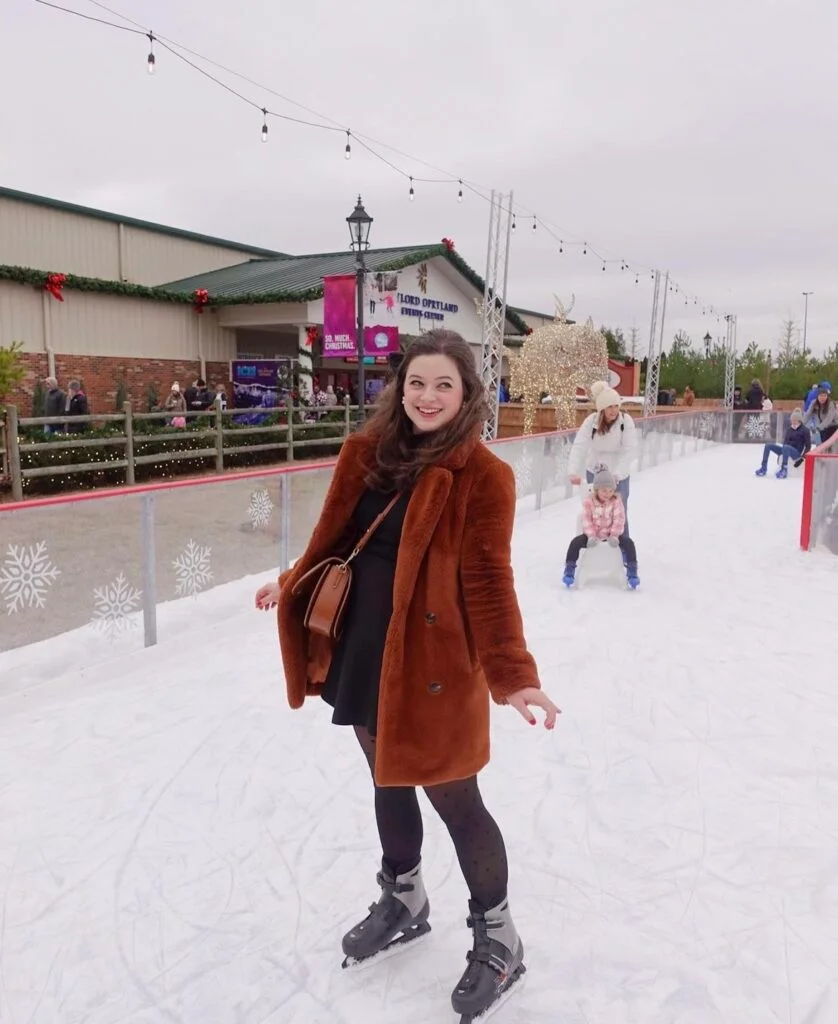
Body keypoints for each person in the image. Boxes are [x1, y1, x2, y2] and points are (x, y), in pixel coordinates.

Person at [254, 329, 559, 1021]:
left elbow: (488, 580)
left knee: (456, 798)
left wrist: (512, 674)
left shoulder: (485, 477)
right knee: (384, 772)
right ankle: (405, 895)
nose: (427, 397)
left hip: (434, 666)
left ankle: (499, 935)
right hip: (363, 648)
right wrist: (293, 581)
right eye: (417, 383)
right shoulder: (367, 452)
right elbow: (334, 536)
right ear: (401, 386)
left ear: (466, 394)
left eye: (443, 385)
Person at [567, 381, 637, 535]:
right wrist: (572, 470)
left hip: (618, 475)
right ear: (602, 408)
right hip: (595, 472)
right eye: (610, 407)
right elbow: (580, 445)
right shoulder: (592, 421)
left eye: (616, 406)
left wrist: (618, 473)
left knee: (619, 512)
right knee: (595, 512)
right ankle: (594, 546)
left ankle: (623, 549)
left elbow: (630, 450)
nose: (614, 410)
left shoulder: (625, 421)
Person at [562, 468, 639, 589]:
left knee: (629, 544)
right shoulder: (589, 503)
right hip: (593, 535)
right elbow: (586, 520)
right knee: (575, 543)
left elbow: (619, 519)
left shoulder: (616, 502)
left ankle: (632, 572)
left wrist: (614, 535)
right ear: (597, 490)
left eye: (610, 491)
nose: (607, 494)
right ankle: (569, 569)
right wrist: (591, 535)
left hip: (611, 535)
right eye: (604, 490)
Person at [755, 409, 811, 478]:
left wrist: (802, 458)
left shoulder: (805, 430)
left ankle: (784, 469)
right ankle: (763, 467)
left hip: (796, 452)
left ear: (799, 421)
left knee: (786, 447)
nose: (792, 422)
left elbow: (808, 446)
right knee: (768, 445)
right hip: (785, 449)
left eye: (794, 420)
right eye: (792, 420)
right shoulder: (789, 429)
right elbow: (785, 442)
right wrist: (780, 455)